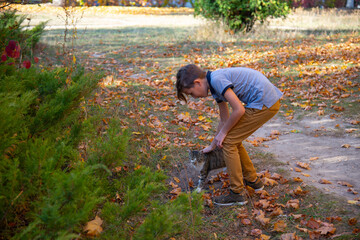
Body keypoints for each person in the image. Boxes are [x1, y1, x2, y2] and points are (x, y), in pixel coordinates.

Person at [176, 64, 282, 206]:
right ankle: (253, 181)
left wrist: (224, 133)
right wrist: (213, 145)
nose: (194, 97)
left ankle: (237, 194)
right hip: (264, 101)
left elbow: (239, 110)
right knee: (231, 139)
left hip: (264, 102)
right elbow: (224, 119)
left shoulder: (217, 80)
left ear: (197, 83)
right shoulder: (214, 85)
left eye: (190, 93)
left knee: (229, 141)